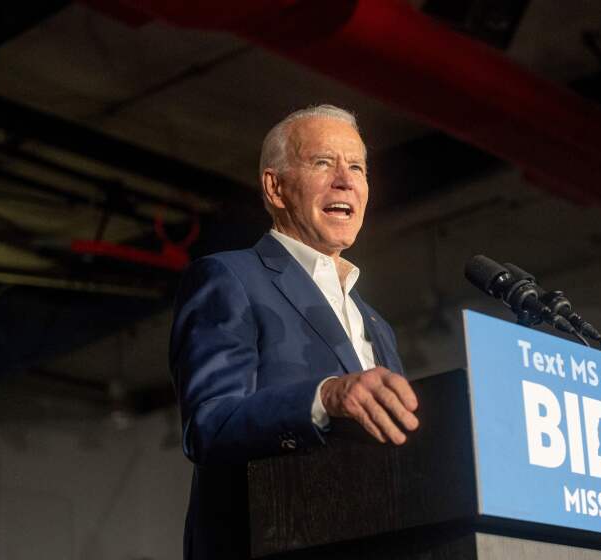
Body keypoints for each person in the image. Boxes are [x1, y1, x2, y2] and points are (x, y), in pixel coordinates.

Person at [169, 105, 419, 560]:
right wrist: (324, 398)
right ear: (275, 187)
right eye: (323, 162)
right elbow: (209, 425)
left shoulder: (377, 324)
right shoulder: (230, 278)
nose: (345, 179)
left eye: (357, 167)